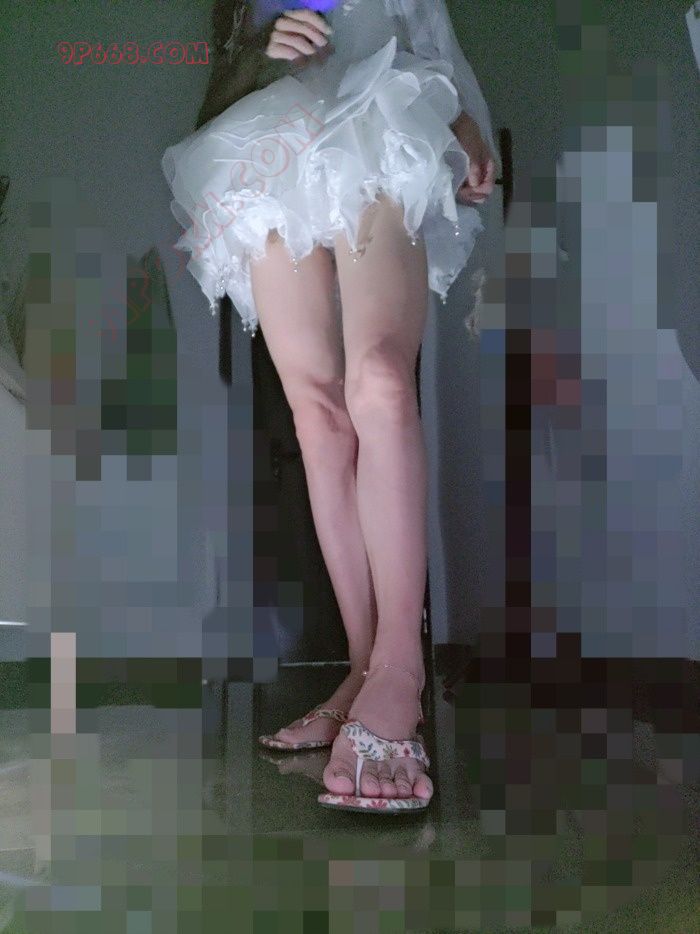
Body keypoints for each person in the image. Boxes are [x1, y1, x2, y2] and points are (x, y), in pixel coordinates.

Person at [162, 0, 497, 813]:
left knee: (379, 377)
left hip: (377, 112)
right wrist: (257, 46)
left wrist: (461, 119)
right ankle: (361, 669)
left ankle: (400, 670)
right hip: (266, 140)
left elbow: (428, 35)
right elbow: (218, 87)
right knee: (316, 413)